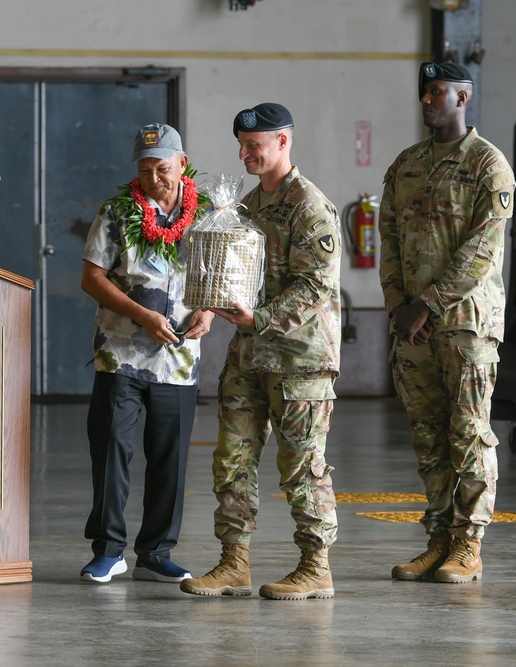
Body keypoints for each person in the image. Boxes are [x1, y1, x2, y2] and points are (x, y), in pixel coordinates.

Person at [179, 103, 342, 601]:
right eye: (241, 145)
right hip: (249, 356)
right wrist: (207, 312)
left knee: (301, 465)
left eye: (255, 145)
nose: (245, 153)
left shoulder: (309, 206)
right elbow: (229, 275)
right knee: (232, 459)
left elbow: (316, 283)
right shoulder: (247, 208)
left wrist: (262, 320)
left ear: (283, 143)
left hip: (299, 360)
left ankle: (316, 568)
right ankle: (234, 563)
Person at [378, 62, 515, 584]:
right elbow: (388, 240)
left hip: (465, 325)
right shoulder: (405, 165)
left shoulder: (488, 166)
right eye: (426, 92)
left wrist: (426, 305)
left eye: (440, 92)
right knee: (428, 436)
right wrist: (397, 308)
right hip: (413, 328)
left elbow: (482, 250)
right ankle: (437, 541)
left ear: (464, 98)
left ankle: (468, 545)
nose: (429, 100)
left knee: (468, 435)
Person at [79, 123, 214, 584]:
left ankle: (156, 552)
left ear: (182, 162)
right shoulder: (117, 211)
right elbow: (92, 277)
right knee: (112, 448)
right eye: (144, 168)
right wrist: (141, 315)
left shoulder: (210, 214)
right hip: (121, 352)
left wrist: (210, 314)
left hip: (179, 356)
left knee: (170, 457)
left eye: (162, 167)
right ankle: (109, 549)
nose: (154, 177)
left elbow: (221, 277)